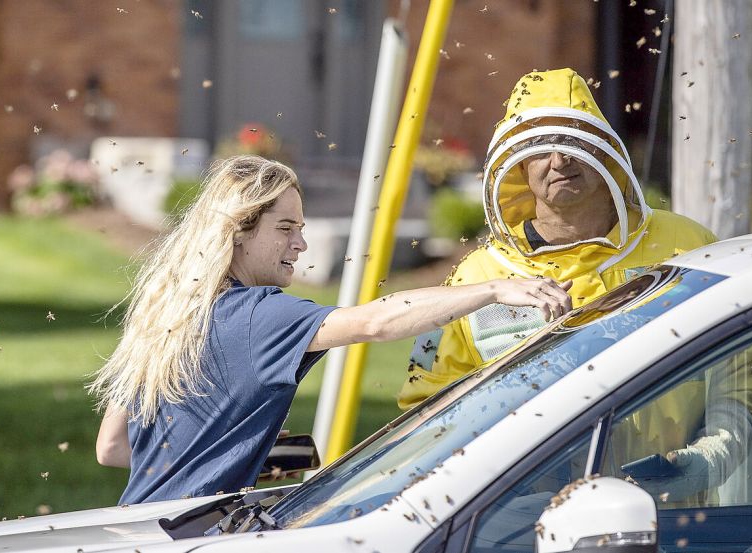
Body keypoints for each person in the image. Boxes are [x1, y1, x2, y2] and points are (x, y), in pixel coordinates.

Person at [396, 68, 752, 505]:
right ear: (517, 165)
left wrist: (712, 455)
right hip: (521, 527)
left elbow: (751, 374)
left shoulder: (687, 245)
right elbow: (428, 414)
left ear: (606, 152)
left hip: (673, 522)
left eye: (576, 139)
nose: (560, 160)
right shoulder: (475, 279)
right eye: (540, 148)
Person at [89, 154, 573, 504]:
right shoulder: (259, 315)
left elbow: (112, 447)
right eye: (285, 228)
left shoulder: (170, 315)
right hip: (200, 532)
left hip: (142, 528)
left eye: (301, 227)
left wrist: (253, 452)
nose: (300, 244)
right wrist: (492, 290)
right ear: (238, 230)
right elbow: (376, 320)